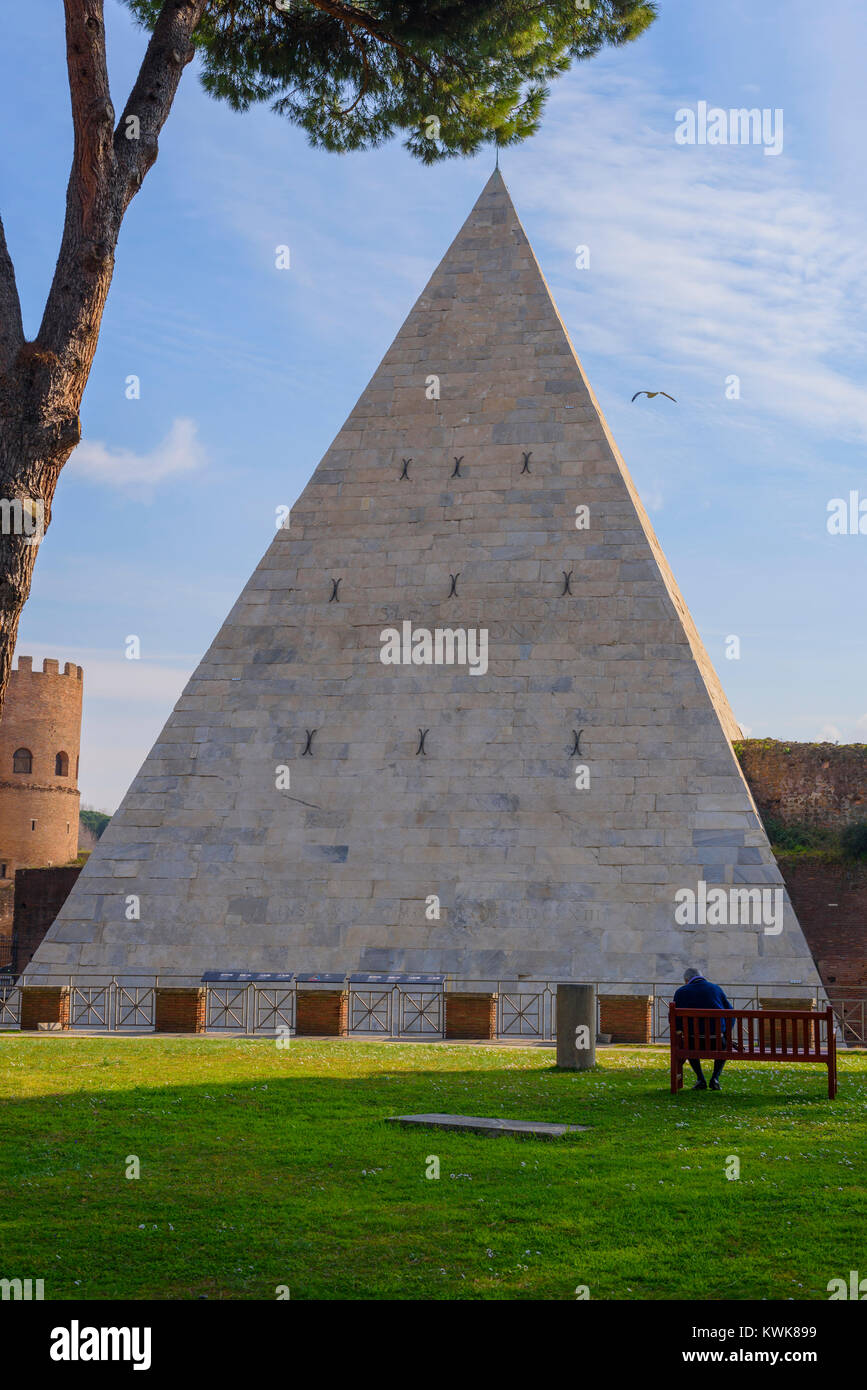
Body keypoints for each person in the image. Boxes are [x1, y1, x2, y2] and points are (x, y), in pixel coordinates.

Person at [673, 968, 733, 1091]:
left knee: (688, 1043)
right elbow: (731, 1014)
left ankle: (700, 1079)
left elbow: (674, 1020)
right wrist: (726, 1032)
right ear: (702, 977)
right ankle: (715, 1078)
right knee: (724, 1045)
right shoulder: (716, 989)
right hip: (716, 1042)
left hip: (693, 1043)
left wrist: (681, 1031)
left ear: (686, 980)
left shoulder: (681, 992)